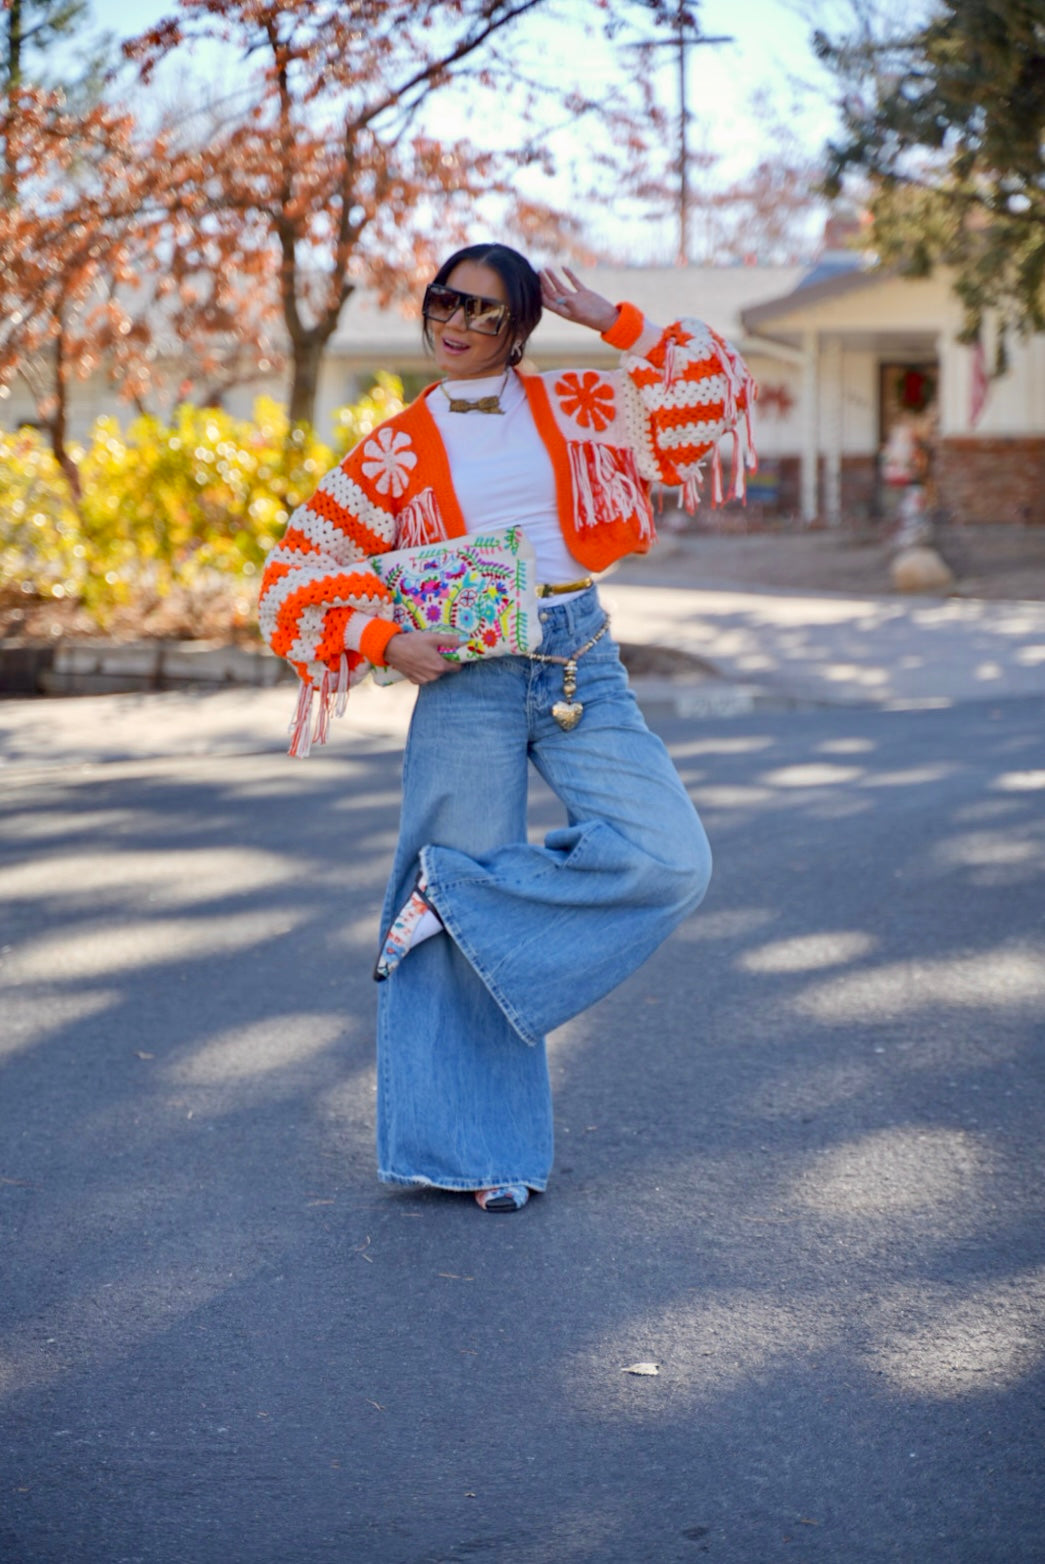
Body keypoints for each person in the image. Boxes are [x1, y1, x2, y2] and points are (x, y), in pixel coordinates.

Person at [259, 242, 755, 1213]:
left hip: (579, 660)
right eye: (447, 302)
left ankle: (451, 895)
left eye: (486, 312)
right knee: (465, 885)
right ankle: (481, 1155)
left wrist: (610, 318)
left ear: (520, 326)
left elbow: (708, 385)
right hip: (466, 679)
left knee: (669, 858)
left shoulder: (577, 405)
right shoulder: (394, 447)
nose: (458, 324)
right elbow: (292, 573)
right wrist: (382, 638)